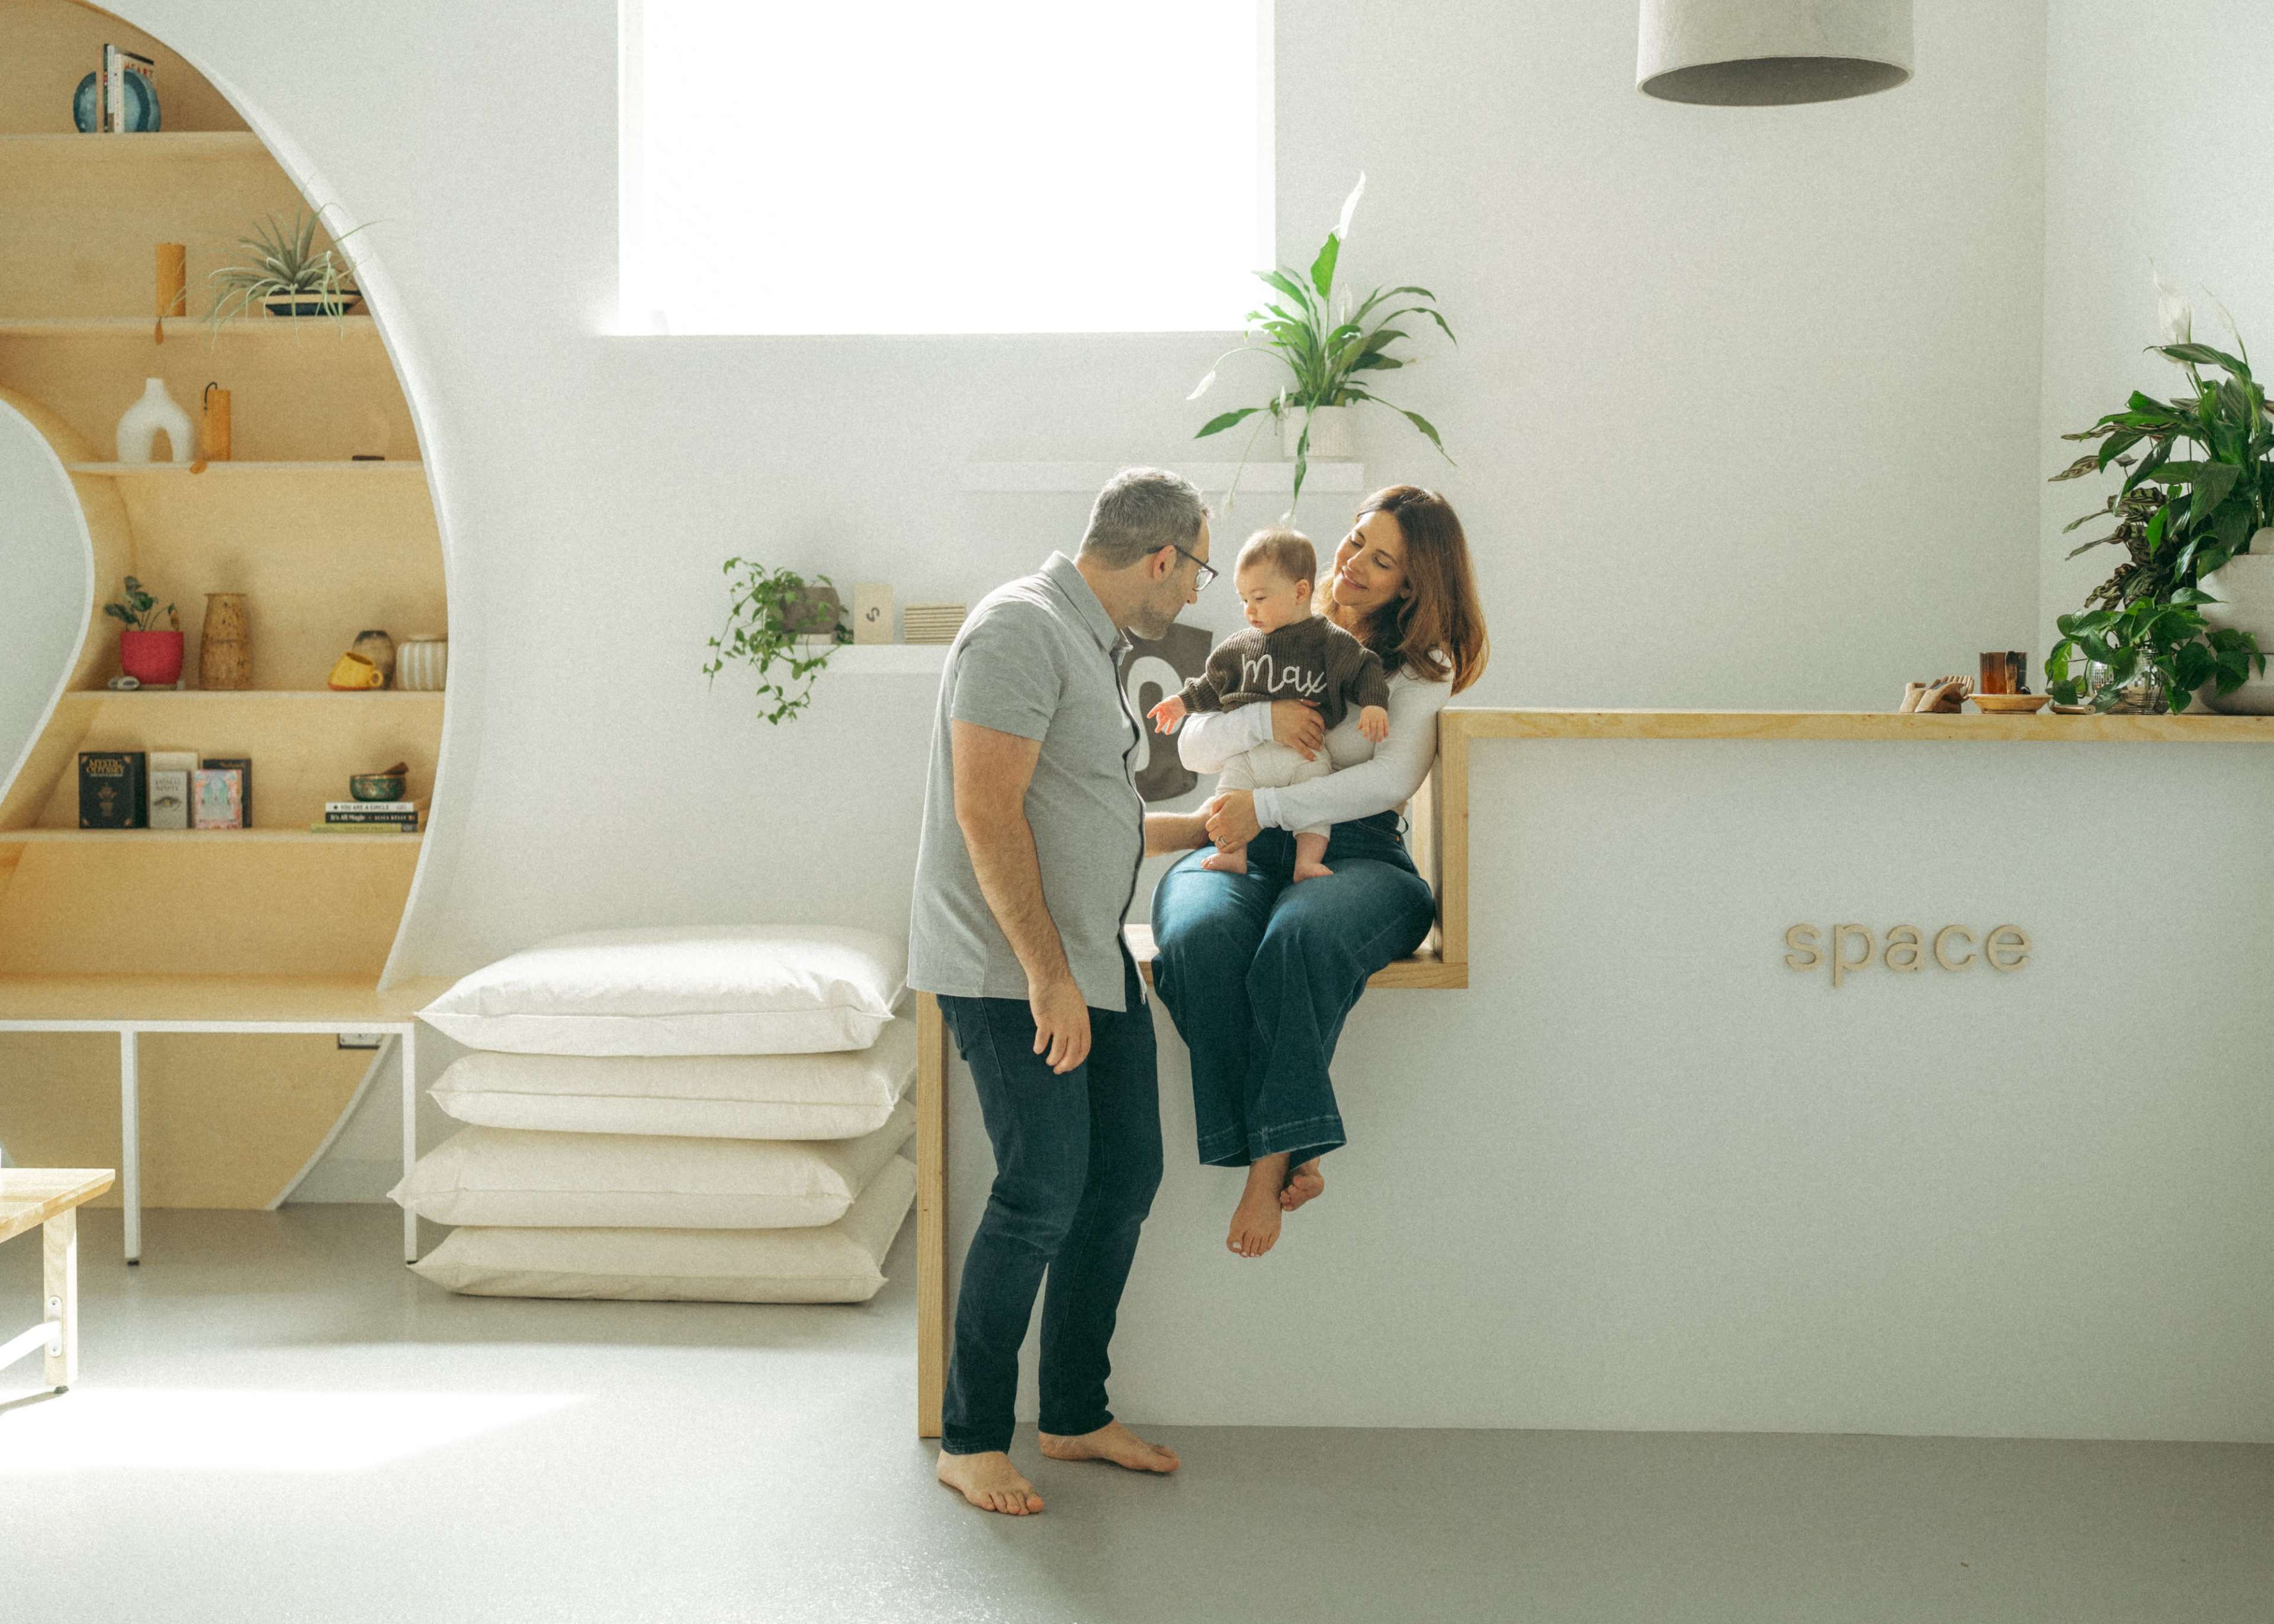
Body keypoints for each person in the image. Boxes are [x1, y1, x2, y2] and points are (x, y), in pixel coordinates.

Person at [908, 467, 1220, 1517]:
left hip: (1091, 957)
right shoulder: (1020, 628)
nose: (1196, 591)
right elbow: (986, 809)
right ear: (1163, 555)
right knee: (1041, 1186)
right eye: (1198, 569)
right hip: (1015, 970)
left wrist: (1200, 827)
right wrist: (1047, 976)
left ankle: (1075, 1411)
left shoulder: (1088, 642)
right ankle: (970, 1437)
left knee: (1123, 1174)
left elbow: (1087, 804)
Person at [1149, 485, 1490, 1260]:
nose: (1354, 561)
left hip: (1358, 854)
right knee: (1198, 937)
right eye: (1357, 539)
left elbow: (1388, 779)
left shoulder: (1420, 670)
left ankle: (1267, 1167)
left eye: (1383, 559)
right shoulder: (1277, 617)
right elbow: (1194, 744)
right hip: (1243, 840)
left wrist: (1267, 806)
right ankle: (1295, 1145)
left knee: (1296, 941)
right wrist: (1261, 721)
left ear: (1414, 585)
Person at [1146, 527, 1390, 883]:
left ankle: (1307, 862)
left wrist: (1373, 704)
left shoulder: (1330, 642)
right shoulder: (1241, 646)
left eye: (1259, 598)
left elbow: (1365, 667)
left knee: (1315, 813)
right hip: (1251, 756)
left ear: (1300, 592)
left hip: (1305, 754)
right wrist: (1182, 704)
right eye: (1243, 600)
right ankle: (1232, 856)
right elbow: (1213, 683)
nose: (1250, 610)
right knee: (1228, 796)